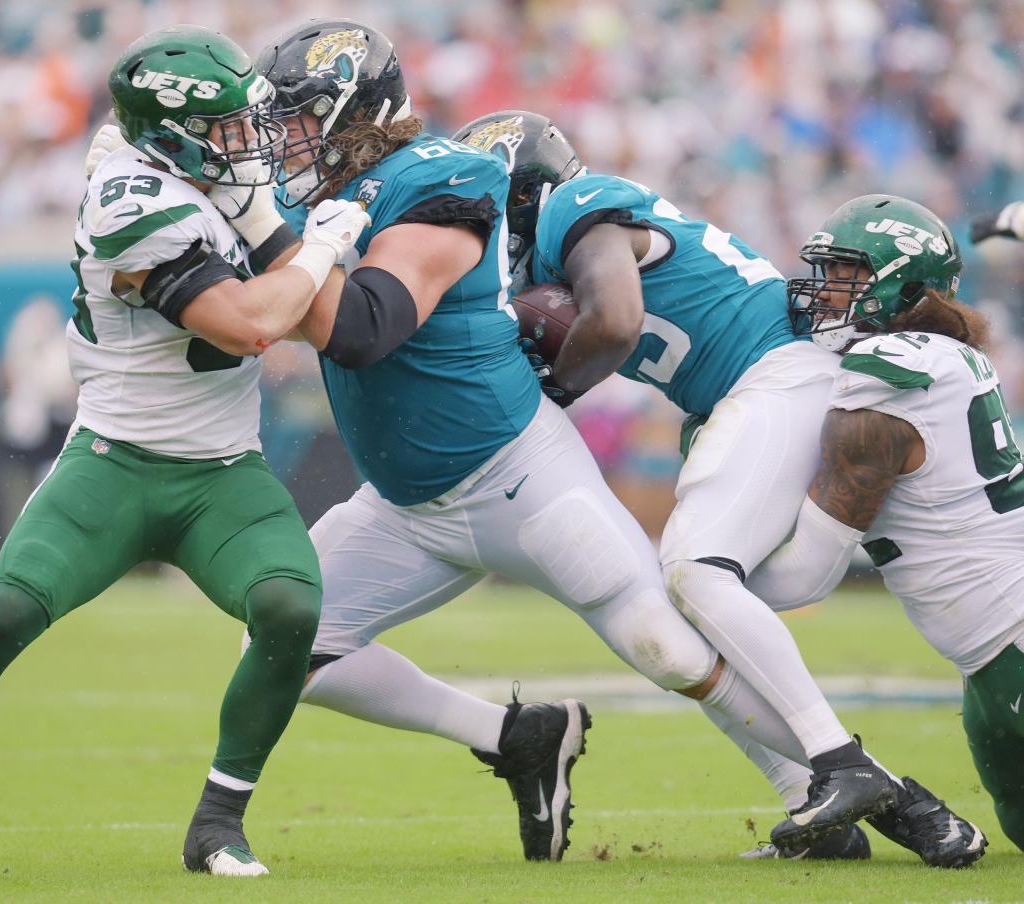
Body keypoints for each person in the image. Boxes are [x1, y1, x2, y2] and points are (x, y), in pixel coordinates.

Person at [200, 18, 888, 865]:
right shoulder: (329, 203)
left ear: (357, 108)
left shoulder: (445, 178)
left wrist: (281, 247)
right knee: (279, 647)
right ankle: (517, 737)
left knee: (667, 642)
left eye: (303, 116)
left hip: (514, 474)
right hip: (403, 501)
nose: (289, 138)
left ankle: (862, 785)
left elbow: (364, 328)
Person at [0, 25, 369, 879]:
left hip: (223, 474)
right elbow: (254, 325)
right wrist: (320, 244)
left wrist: (261, 215)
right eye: (221, 127)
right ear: (172, 133)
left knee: (290, 610)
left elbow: (318, 315)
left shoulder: (207, 179)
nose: (242, 142)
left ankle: (218, 823)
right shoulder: (128, 198)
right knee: (4, 613)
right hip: (114, 464)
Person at [452, 111, 984, 866]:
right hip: (747, 393)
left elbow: (614, 323)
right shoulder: (544, 253)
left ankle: (839, 763)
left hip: (776, 375)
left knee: (694, 569)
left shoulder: (577, 205)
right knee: (693, 627)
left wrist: (548, 387)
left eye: (482, 197)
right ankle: (834, 801)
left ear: (521, 184)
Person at [742, 194, 1020, 859]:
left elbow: (807, 574)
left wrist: (702, 586)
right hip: (987, 661)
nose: (825, 290)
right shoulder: (941, 356)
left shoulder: (891, 376)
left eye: (846, 275)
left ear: (905, 285)